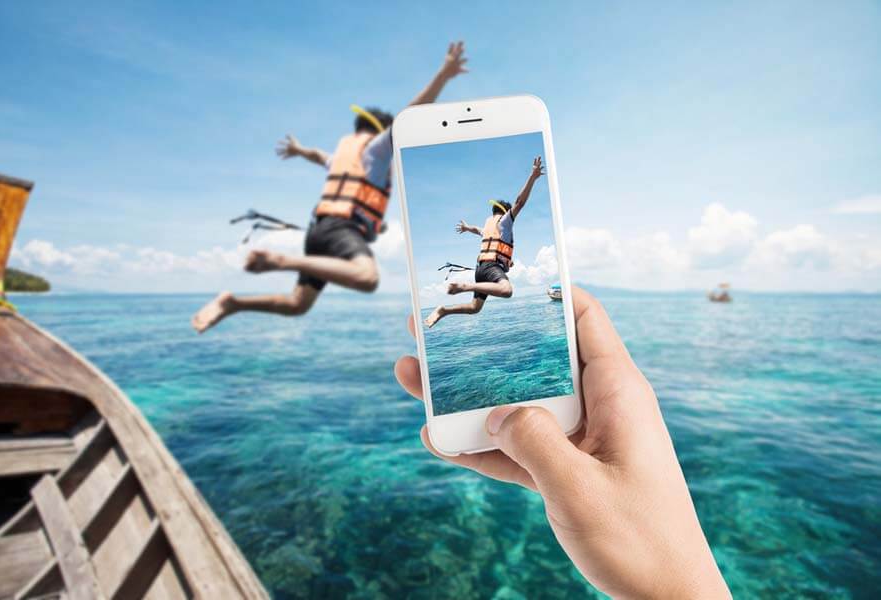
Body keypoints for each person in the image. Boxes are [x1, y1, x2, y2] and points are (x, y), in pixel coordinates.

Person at [396, 287, 732, 598]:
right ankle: (456, 295)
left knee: (478, 305)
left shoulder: (492, 236)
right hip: (490, 271)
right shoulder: (500, 227)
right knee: (504, 292)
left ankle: (453, 297)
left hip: (486, 272)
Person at [192, 41, 470, 333]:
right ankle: (280, 260)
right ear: (379, 131)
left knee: (298, 304)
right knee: (367, 278)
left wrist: (299, 150)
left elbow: (317, 156)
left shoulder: (341, 158)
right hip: (341, 228)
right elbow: (408, 117)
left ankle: (233, 304)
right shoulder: (375, 150)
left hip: (318, 231)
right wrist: (443, 75)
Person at [424, 156, 544, 328]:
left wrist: (466, 228)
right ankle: (464, 287)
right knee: (507, 290)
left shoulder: (488, 228)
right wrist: (533, 177)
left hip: (480, 269)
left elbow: (476, 230)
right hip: (489, 268)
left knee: (475, 308)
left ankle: (444, 311)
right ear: (504, 211)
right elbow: (520, 202)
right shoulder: (505, 221)